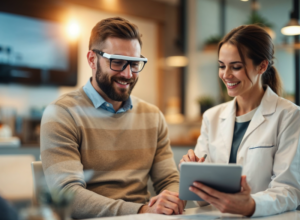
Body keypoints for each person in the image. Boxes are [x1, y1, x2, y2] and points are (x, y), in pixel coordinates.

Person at [40, 17, 184, 219]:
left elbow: (169, 180)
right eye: (117, 62)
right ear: (92, 60)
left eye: (135, 64)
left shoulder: (153, 116)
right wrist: (141, 210)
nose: (127, 74)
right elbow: (67, 194)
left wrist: (173, 199)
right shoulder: (62, 113)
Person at [180, 25, 300, 217]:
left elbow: (290, 191)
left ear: (262, 66)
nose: (226, 75)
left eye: (236, 67)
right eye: (221, 66)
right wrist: (194, 175)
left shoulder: (289, 115)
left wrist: (251, 205)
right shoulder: (212, 117)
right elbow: (202, 201)